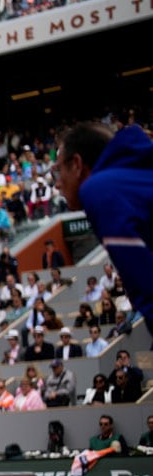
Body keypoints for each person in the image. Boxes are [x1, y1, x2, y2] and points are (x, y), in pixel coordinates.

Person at [54, 121, 153, 338]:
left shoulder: (98, 189)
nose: (57, 184)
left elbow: (145, 280)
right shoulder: (131, 177)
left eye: (58, 170)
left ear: (77, 164)